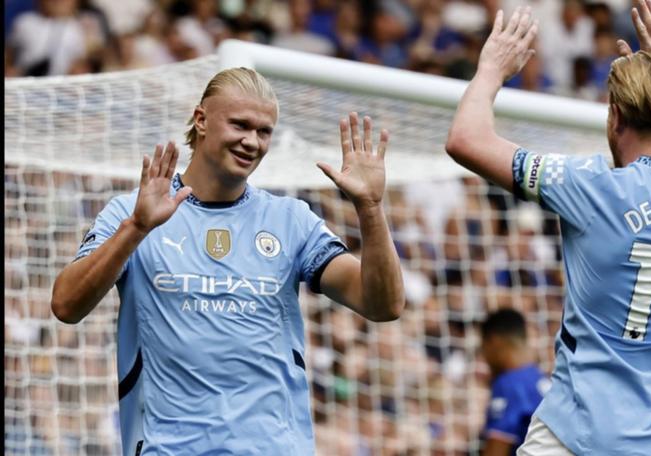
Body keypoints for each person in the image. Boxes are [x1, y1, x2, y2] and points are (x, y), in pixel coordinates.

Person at [445, 0, 651, 454]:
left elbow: (465, 139)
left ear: (614, 119)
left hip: (575, 438)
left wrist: (492, 69)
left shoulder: (594, 188)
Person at [50, 67, 405, 454]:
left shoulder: (291, 220)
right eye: (240, 125)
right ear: (201, 120)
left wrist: (370, 208)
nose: (252, 141)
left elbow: (382, 304)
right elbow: (66, 305)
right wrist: (136, 227)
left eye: (264, 131)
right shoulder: (132, 212)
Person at [480, 308, 547, 456]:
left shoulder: (509, 384)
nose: (484, 356)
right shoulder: (540, 378)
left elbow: (497, 446)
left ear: (494, 342)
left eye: (483, 348)